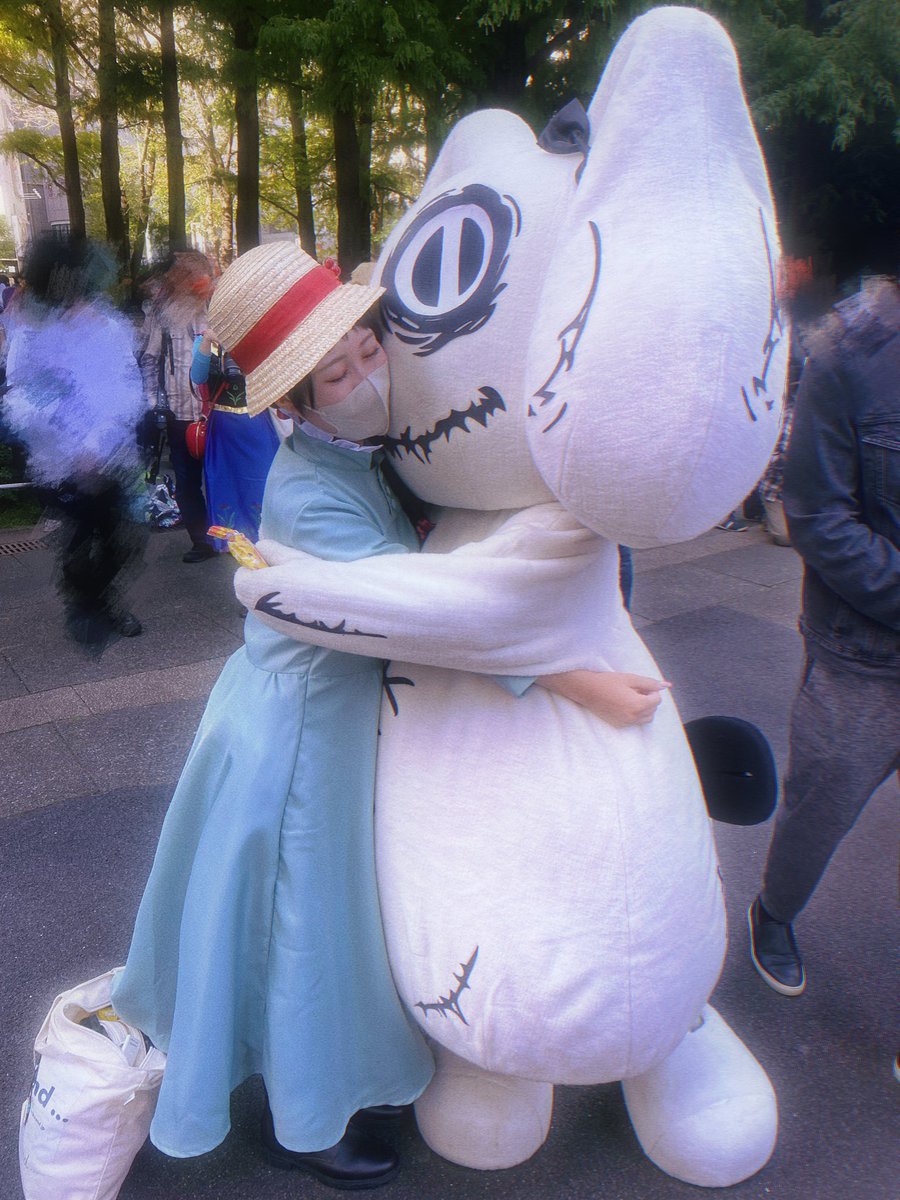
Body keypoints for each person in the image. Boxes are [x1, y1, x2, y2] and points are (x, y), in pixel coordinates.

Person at [111, 242, 670, 1190]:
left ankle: (327, 1080)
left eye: (369, 350)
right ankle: (304, 1122)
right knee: (304, 918)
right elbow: (425, 616)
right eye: (338, 374)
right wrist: (576, 680)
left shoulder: (363, 455)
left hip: (322, 715)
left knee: (320, 916)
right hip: (303, 736)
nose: (367, 376)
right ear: (295, 403)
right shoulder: (310, 494)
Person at [748, 275, 900, 996]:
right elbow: (818, 520)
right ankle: (774, 911)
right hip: (864, 661)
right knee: (819, 810)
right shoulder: (848, 353)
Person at [1, 234, 147, 646]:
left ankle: (94, 596)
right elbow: (20, 397)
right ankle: (92, 601)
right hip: (60, 464)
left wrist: (99, 446)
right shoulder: (30, 334)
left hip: (111, 458)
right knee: (83, 537)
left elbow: (127, 389)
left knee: (123, 541)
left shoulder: (108, 326)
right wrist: (69, 442)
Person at [138, 250, 216, 562]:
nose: (194, 281)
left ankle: (229, 535)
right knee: (186, 481)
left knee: (220, 476)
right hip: (179, 413)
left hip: (218, 411)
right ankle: (202, 541)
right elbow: (149, 358)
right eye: (185, 274)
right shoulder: (163, 314)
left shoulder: (218, 307)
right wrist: (153, 403)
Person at [189, 329, 281, 546]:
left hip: (256, 422)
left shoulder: (257, 337)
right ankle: (232, 540)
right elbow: (198, 377)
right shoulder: (204, 340)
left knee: (263, 478)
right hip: (223, 429)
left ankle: (268, 537)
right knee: (225, 482)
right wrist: (208, 340)